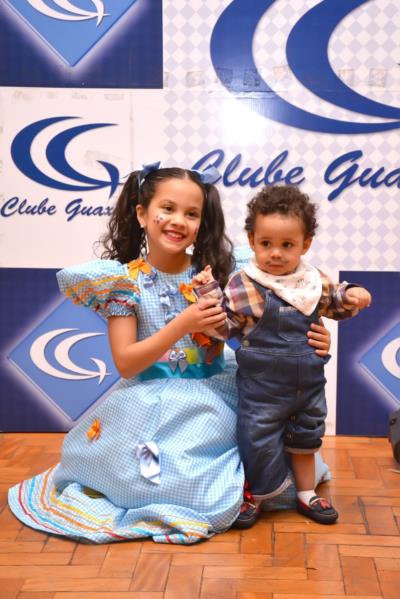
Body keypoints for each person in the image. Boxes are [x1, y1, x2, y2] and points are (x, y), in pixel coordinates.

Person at [8, 166, 331, 545]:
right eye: (168, 208)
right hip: (149, 394)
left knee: (249, 448)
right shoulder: (123, 283)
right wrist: (183, 323)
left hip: (214, 388)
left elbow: (270, 323)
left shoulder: (219, 273)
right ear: (142, 213)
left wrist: (314, 338)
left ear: (201, 223)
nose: (179, 221)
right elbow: (126, 362)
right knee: (154, 472)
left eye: (191, 213)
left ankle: (250, 489)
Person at [192, 184, 371, 529]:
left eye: (287, 245)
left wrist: (353, 294)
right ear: (251, 240)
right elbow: (224, 329)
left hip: (308, 385)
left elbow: (335, 301)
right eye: (266, 243)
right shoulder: (244, 284)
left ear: (306, 244)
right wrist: (209, 296)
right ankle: (259, 495)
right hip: (262, 388)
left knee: (306, 436)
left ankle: (306, 492)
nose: (275, 254)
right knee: (257, 438)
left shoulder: (312, 280)